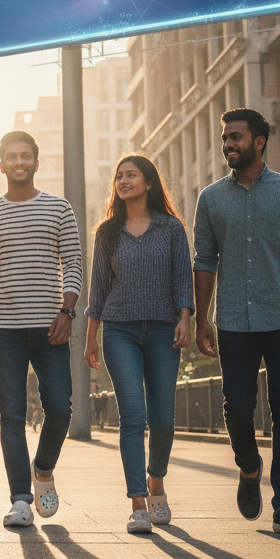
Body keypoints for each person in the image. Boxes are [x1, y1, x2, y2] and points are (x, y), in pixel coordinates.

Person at [194, 109, 280, 536]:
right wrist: (201, 320)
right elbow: (204, 260)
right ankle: (249, 467)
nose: (228, 144)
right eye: (225, 138)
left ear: (259, 141)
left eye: (235, 137)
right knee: (236, 407)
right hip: (234, 319)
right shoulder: (211, 198)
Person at [0, 130, 82, 528]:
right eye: (11, 156)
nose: (18, 162)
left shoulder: (59, 208)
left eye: (25, 156)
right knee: (12, 415)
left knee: (60, 407)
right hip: (4, 327)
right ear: (1, 165)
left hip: (50, 324)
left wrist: (67, 311)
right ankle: (20, 499)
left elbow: (73, 261)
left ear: (36, 163)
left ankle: (43, 469)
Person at [83, 154, 193, 534]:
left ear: (148, 183)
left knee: (162, 419)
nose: (123, 181)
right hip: (120, 331)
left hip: (164, 330)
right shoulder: (107, 232)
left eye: (132, 175)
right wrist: (91, 337)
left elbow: (182, 277)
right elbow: (98, 289)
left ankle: (156, 479)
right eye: (119, 176)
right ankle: (137, 503)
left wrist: (185, 318)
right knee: (132, 415)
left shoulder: (171, 228)